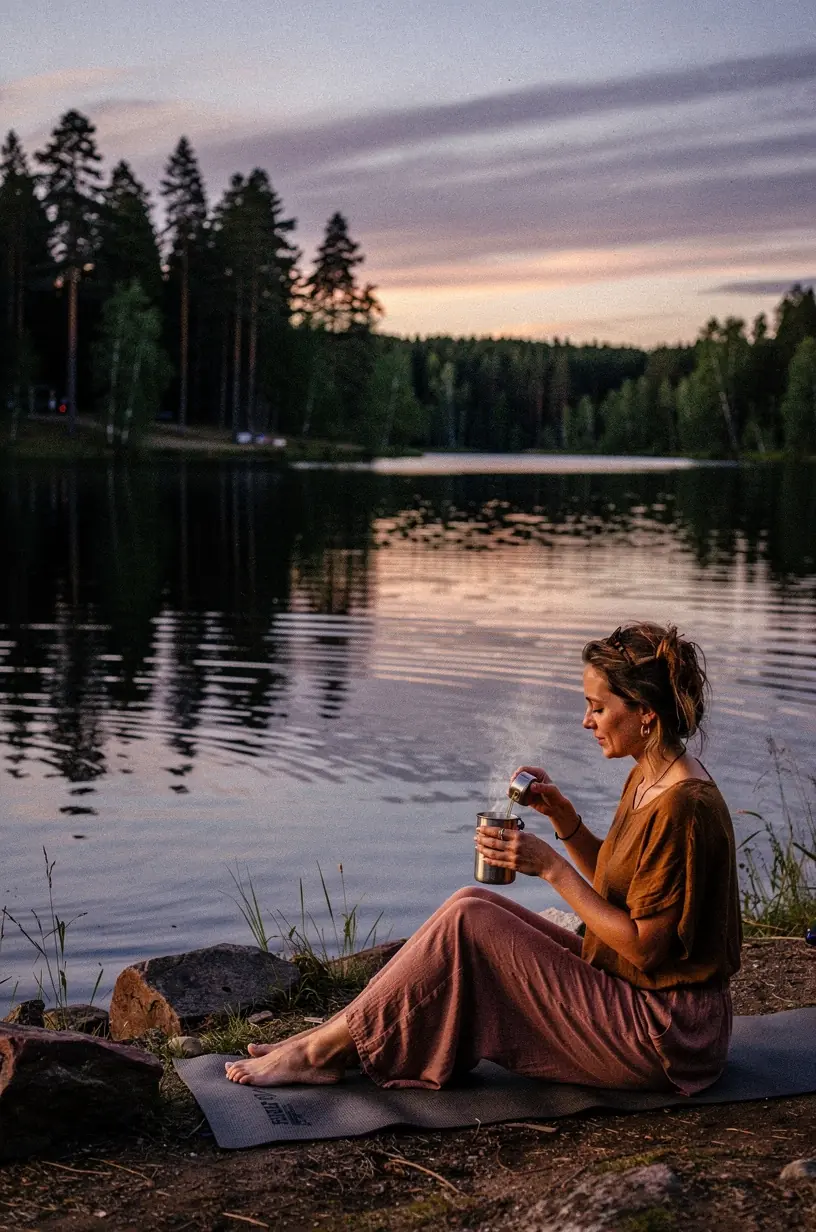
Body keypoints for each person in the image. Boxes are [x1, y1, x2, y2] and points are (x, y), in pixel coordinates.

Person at [226, 621, 742, 1094]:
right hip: (640, 997)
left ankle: (320, 1052)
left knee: (471, 921)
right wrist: (564, 819)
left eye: (598, 708)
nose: (586, 721)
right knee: (470, 901)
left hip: (665, 1033)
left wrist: (551, 868)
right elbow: (622, 887)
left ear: (645, 712)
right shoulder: (649, 774)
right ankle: (328, 1039)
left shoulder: (683, 806)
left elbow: (645, 949)